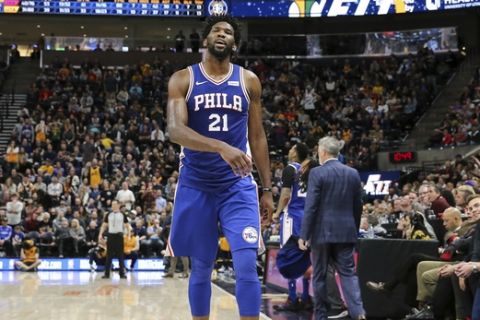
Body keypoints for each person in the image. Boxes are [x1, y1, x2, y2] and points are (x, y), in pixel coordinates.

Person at [167, 15, 273, 320]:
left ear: (235, 44)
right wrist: (220, 146)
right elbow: (175, 130)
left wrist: (266, 189)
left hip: (236, 186)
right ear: (205, 40)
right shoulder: (183, 79)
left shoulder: (249, 80)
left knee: (245, 264)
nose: (222, 34)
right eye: (217, 30)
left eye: (228, 32)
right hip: (197, 184)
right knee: (201, 267)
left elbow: (257, 136)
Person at [299, 136, 366, 320]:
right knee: (348, 274)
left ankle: (321, 315)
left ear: (322, 152)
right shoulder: (352, 173)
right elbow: (358, 206)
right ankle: (358, 313)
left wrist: (304, 234)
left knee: (319, 275)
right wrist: (353, 226)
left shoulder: (317, 173)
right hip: (346, 231)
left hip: (321, 233)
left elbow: (311, 205)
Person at [272, 142, 314, 312]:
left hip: (292, 217)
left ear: (296, 153)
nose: (289, 150)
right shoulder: (310, 170)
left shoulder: (290, 168)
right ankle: (305, 297)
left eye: (292, 148)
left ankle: (291, 298)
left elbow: (286, 195)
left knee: (288, 256)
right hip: (307, 217)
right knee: (305, 258)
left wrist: (277, 212)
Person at [98, 200, 130, 279]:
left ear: (119, 205)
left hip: (119, 236)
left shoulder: (122, 215)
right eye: (112, 205)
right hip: (111, 236)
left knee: (120, 255)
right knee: (109, 255)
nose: (113, 206)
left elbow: (127, 225)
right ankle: (107, 274)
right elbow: (104, 225)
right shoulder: (108, 214)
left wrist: (128, 235)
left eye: (115, 204)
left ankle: (122, 273)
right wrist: (100, 234)